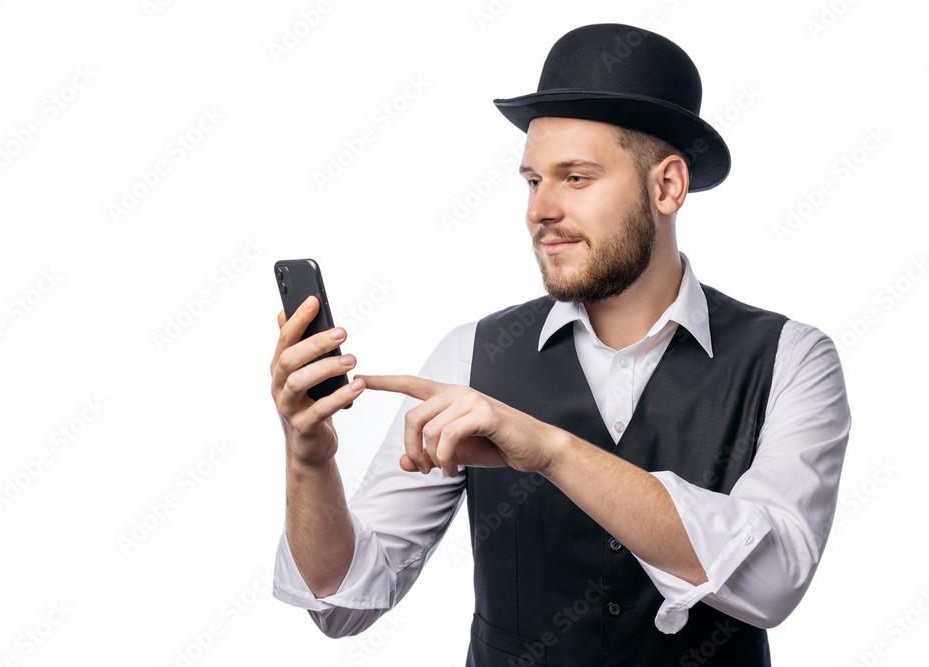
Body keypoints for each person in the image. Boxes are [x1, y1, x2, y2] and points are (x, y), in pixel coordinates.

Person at [270, 23, 850, 666]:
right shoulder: (473, 355)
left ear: (667, 187)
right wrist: (309, 458)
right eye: (532, 180)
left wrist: (549, 449)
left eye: (575, 178)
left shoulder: (791, 358)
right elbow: (342, 598)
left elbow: (774, 581)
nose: (540, 209)